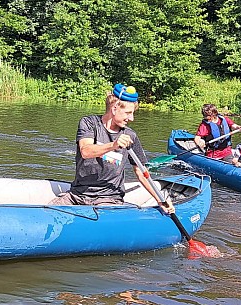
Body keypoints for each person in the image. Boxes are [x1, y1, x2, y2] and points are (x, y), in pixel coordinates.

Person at [49, 84, 173, 212]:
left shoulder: (130, 135)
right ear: (114, 109)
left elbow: (142, 173)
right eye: (128, 113)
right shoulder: (89, 123)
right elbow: (85, 151)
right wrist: (113, 145)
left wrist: (160, 200)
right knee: (48, 212)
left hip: (108, 199)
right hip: (77, 195)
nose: (131, 118)